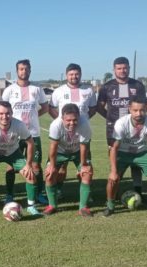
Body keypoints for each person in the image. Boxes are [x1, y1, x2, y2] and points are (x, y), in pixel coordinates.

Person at [102, 95, 147, 218]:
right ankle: (110, 207)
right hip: (122, 153)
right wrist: (113, 171)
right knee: (113, 179)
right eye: (135, 110)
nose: (139, 114)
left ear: (146, 109)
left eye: (142, 110)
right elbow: (114, 148)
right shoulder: (121, 123)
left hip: (143, 153)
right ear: (129, 109)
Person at [97, 57, 146, 198]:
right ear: (114, 70)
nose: (122, 71)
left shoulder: (137, 85)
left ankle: (138, 190)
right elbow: (99, 107)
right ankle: (115, 188)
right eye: (119, 68)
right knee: (116, 159)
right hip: (113, 130)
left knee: (136, 160)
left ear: (129, 68)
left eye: (125, 68)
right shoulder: (107, 87)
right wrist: (110, 118)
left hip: (135, 128)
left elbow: (143, 106)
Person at [1, 59, 49, 204]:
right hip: (13, 135)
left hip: (33, 134)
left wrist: (34, 116)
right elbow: (2, 110)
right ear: (17, 71)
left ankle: (38, 193)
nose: (24, 71)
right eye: (21, 69)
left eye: (26, 69)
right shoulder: (9, 90)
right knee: (11, 165)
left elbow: (45, 107)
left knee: (35, 165)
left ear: (30, 70)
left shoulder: (37, 89)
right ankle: (10, 195)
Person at [48, 63, 97, 199]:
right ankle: (58, 190)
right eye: (71, 74)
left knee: (85, 165)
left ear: (80, 74)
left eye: (76, 74)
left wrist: (83, 121)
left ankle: (86, 193)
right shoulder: (58, 91)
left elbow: (93, 109)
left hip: (81, 132)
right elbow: (51, 108)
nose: (74, 76)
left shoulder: (88, 90)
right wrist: (61, 121)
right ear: (66, 75)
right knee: (60, 168)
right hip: (63, 133)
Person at [44, 103, 93, 217]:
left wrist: (83, 165)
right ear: (62, 118)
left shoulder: (85, 124)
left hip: (78, 151)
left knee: (86, 173)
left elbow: (84, 147)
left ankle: (83, 207)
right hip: (60, 152)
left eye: (75, 120)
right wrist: (51, 165)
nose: (72, 123)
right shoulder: (55, 125)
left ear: (79, 117)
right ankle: (52, 205)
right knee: (49, 174)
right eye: (68, 120)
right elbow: (53, 147)